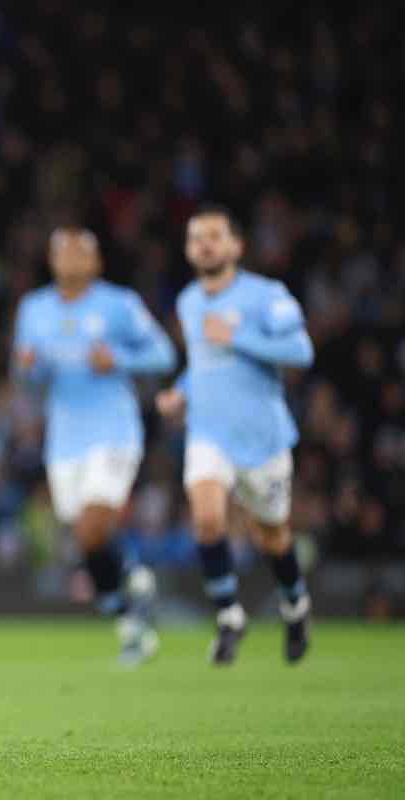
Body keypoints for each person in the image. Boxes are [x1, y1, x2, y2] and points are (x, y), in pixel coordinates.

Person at [156, 206, 313, 665]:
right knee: (206, 519)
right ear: (188, 250)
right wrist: (180, 393)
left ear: (235, 246)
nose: (205, 244)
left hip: (262, 437)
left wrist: (238, 337)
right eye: (196, 238)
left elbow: (301, 350)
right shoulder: (188, 300)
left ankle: (295, 604)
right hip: (208, 433)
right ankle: (228, 616)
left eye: (214, 236)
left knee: (273, 536)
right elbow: (203, 364)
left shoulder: (267, 295)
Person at [14, 227, 175, 664]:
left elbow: (164, 353)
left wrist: (119, 359)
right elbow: (26, 376)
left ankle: (135, 586)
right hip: (64, 438)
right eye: (61, 252)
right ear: (51, 261)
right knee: (87, 539)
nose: (69, 259)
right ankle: (131, 611)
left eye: (79, 252)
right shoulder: (34, 309)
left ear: (96, 262)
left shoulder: (119, 305)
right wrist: (28, 369)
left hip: (113, 431)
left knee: (90, 527)